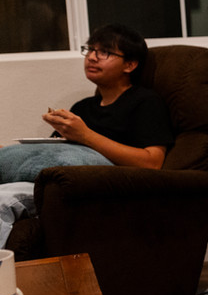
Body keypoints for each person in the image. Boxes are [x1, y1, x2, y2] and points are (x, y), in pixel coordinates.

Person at [0, 24, 174, 247]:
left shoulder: (146, 103)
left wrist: (86, 136)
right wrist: (10, 152)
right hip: (52, 186)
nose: (92, 57)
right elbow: (51, 153)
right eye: (90, 50)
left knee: (2, 201)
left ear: (130, 65)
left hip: (103, 191)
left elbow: (153, 162)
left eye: (105, 52)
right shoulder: (82, 108)